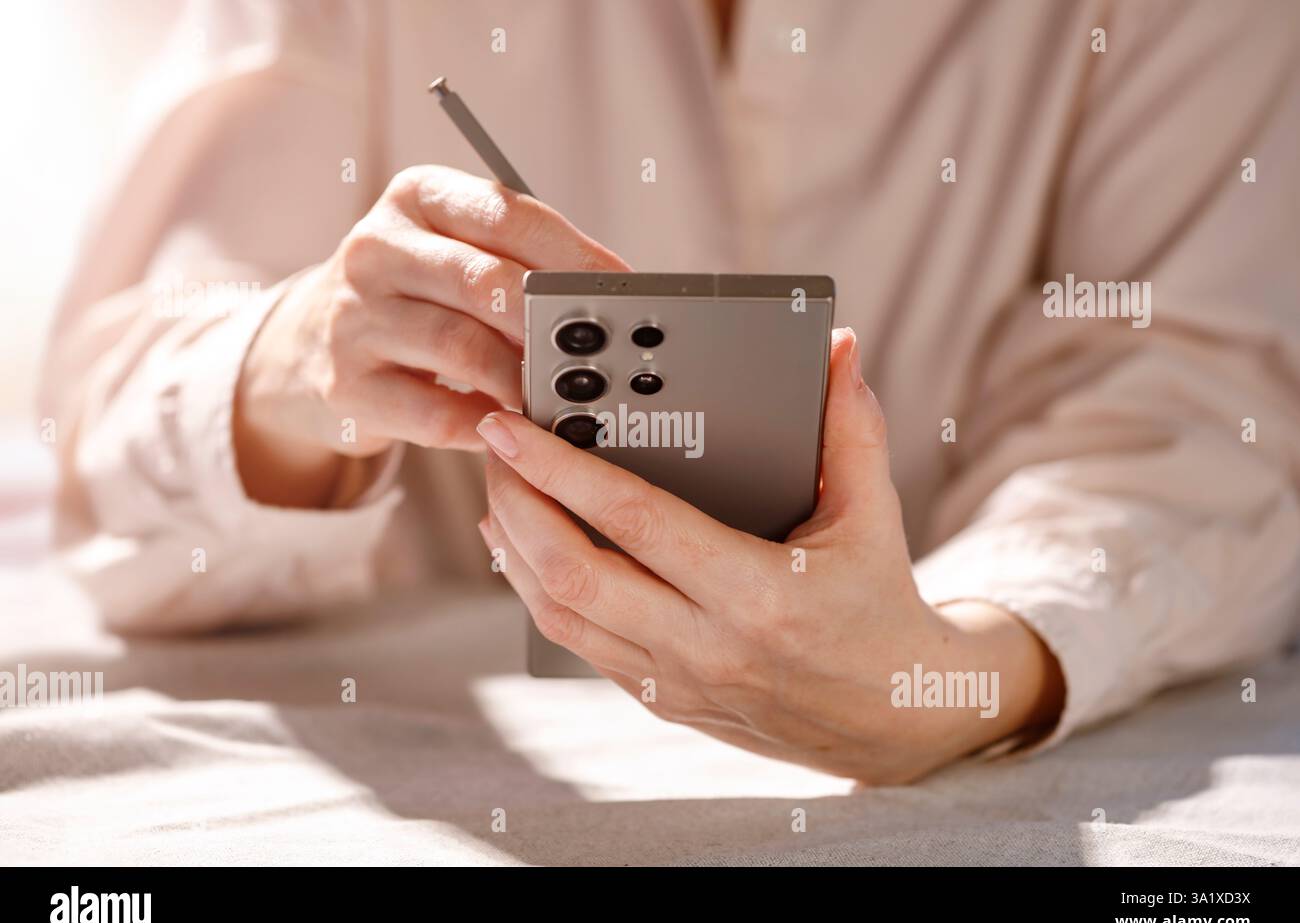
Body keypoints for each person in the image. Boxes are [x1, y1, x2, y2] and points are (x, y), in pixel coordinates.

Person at [41, 0, 1300, 782]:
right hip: (424, 673)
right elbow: (117, 393)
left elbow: (1205, 395)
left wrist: (952, 676)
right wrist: (298, 360)